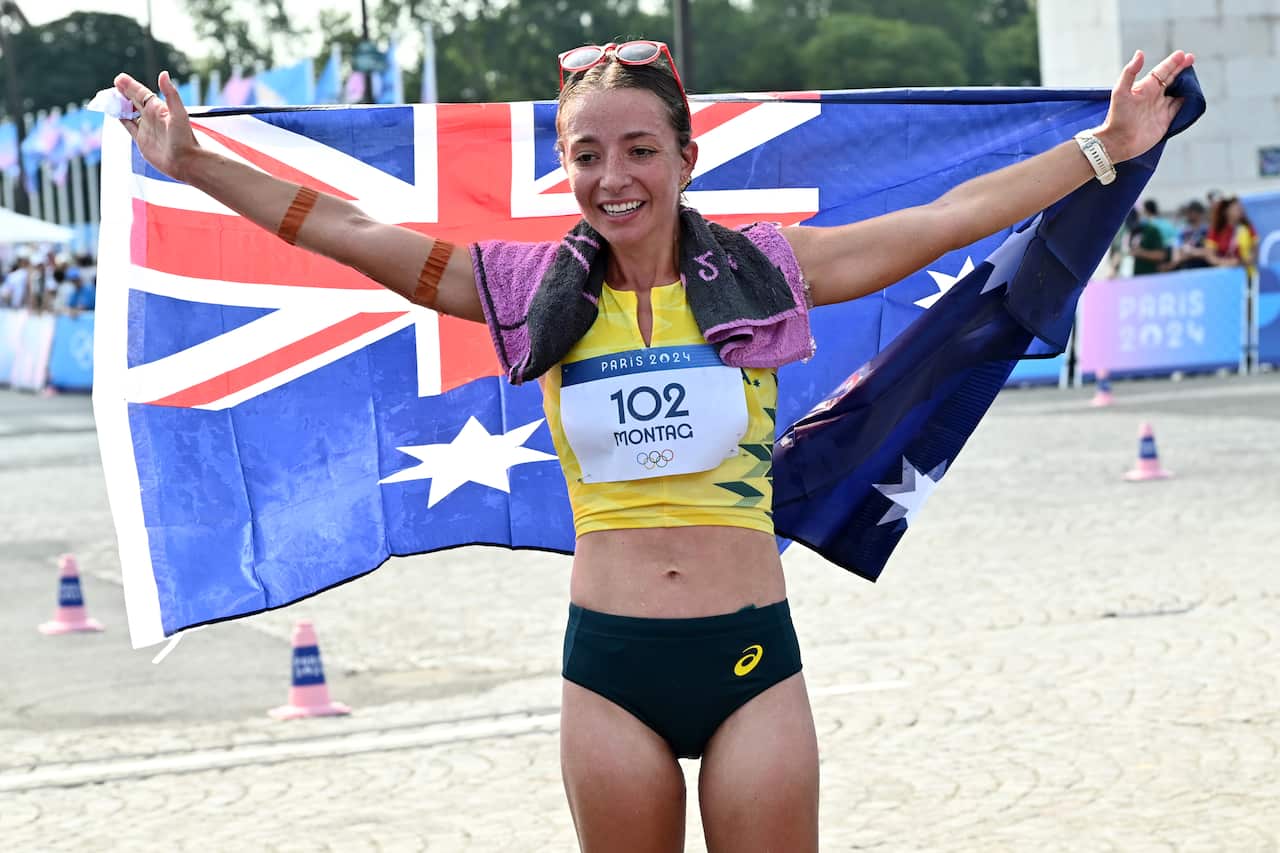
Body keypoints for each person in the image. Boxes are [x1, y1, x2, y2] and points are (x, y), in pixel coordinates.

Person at [112, 43, 1194, 851]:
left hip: (749, 659)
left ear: (684, 155)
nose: (611, 174)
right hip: (610, 671)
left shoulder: (772, 270)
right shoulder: (527, 289)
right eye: (586, 154)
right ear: (565, 169)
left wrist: (1105, 147)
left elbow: (949, 217)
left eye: (638, 148)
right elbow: (352, 233)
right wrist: (195, 162)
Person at [1207, 195, 1259, 277]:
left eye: (1241, 207)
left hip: (1246, 274)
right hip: (1223, 275)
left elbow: (1255, 253)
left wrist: (1241, 262)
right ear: (1226, 211)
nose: (1241, 209)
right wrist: (1226, 263)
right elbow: (1210, 256)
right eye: (1236, 207)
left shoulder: (1247, 228)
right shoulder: (1216, 230)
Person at [1129, 199, 1171, 275]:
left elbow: (1162, 254)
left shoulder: (1153, 228)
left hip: (1152, 274)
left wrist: (1141, 253)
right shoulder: (1138, 230)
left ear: (1146, 211)